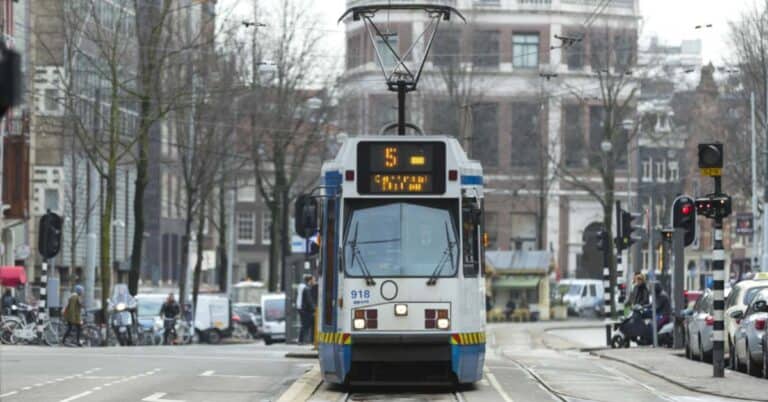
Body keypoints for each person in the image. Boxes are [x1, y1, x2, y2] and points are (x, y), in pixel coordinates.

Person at [298, 276, 316, 344]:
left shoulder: (307, 288)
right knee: (306, 325)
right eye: (313, 280)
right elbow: (309, 301)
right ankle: (301, 340)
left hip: (305, 310)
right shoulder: (307, 289)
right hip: (306, 311)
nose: (314, 281)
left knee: (309, 325)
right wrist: (314, 309)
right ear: (310, 281)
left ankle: (310, 340)